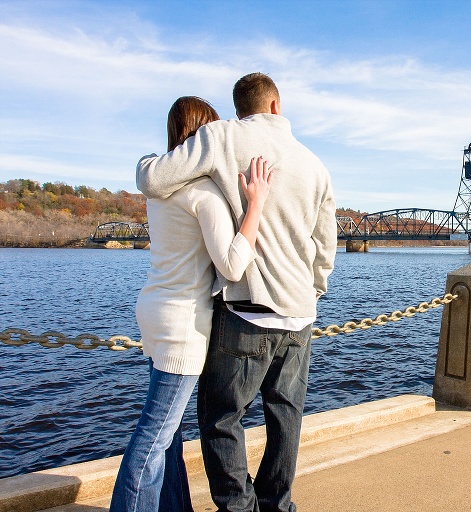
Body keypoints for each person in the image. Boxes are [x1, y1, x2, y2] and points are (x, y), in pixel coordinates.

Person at [136, 73, 336, 512]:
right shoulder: (315, 164)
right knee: (286, 420)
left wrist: (147, 160)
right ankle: (277, 506)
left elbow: (154, 180)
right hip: (299, 317)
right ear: (276, 106)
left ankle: (239, 508)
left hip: (247, 310)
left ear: (238, 107)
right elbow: (325, 248)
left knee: (222, 419)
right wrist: (312, 293)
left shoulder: (221, 137)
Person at [110, 96, 273, 512]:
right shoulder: (202, 193)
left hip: (154, 308)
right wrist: (255, 205)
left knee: (168, 437)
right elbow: (233, 265)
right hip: (183, 322)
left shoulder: (161, 188)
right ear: (205, 135)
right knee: (153, 440)